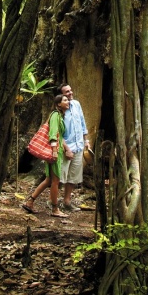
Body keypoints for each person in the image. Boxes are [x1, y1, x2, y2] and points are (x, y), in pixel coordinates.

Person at [23, 93, 71, 218]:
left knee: (49, 179)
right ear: (58, 104)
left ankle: (30, 201)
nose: (68, 101)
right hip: (55, 151)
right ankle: (55, 209)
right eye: (65, 100)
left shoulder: (60, 116)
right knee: (55, 180)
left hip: (57, 150)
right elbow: (53, 133)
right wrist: (55, 151)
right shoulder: (55, 115)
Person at [59, 82, 90, 212]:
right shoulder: (59, 111)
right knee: (59, 176)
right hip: (66, 147)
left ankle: (67, 201)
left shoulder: (76, 104)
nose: (70, 93)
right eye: (67, 92)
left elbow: (82, 122)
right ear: (61, 96)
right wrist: (66, 149)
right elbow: (58, 133)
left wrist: (86, 140)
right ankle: (53, 202)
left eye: (70, 90)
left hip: (78, 146)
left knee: (73, 176)